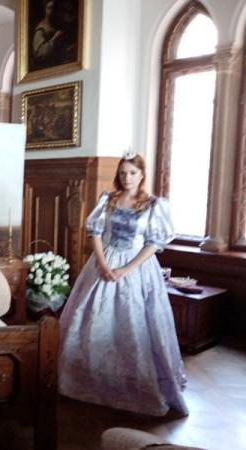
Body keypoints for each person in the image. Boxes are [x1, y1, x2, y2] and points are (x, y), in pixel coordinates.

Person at [57, 152, 189, 417]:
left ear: (141, 175)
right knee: (92, 320)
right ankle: (88, 381)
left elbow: (154, 243)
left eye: (132, 173)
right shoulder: (108, 200)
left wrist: (126, 269)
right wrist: (103, 264)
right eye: (122, 173)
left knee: (135, 324)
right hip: (104, 262)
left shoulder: (153, 204)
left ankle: (136, 385)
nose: (127, 178)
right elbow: (95, 233)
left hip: (136, 268)